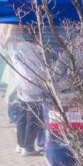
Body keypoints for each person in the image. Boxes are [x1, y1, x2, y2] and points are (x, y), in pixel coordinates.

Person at [12, 26, 48, 156]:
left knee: (22, 116)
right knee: (33, 117)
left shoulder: (18, 50)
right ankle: (28, 147)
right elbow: (42, 71)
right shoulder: (36, 51)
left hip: (21, 87)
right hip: (33, 88)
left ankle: (20, 144)